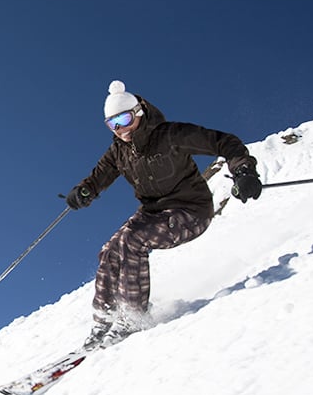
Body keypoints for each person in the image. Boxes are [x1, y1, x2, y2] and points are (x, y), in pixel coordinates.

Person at [67, 80, 263, 349]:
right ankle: (103, 319)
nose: (120, 129)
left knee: (132, 241)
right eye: (112, 124)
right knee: (110, 250)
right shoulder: (118, 151)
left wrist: (244, 171)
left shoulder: (171, 135)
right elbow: (98, 177)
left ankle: (132, 317)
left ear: (138, 112)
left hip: (191, 210)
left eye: (123, 119)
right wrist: (84, 192)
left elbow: (224, 142)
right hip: (153, 213)